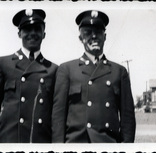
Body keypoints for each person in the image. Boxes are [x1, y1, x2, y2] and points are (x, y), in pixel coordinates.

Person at [52, 10, 136, 143]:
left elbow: (128, 119)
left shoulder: (119, 72)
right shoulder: (67, 70)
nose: (94, 36)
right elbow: (58, 117)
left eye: (98, 32)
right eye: (88, 33)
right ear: (81, 38)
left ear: (105, 36)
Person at [0, 9, 58, 143]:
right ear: (19, 33)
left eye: (37, 29)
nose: (33, 33)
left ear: (44, 34)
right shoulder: (2, 64)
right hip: (9, 141)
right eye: (27, 29)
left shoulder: (53, 69)